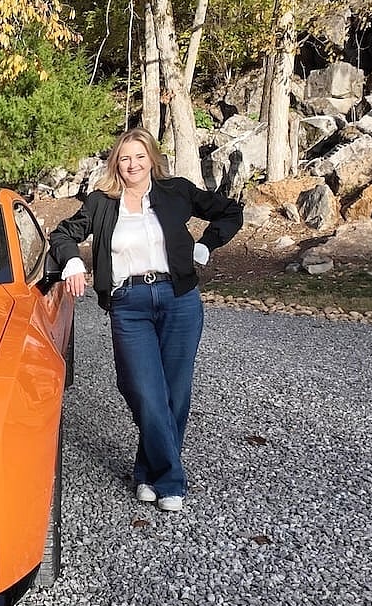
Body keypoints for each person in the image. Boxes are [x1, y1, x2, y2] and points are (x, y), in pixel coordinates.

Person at [49, 127, 243, 512]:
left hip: (179, 299)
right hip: (129, 303)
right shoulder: (102, 202)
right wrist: (72, 261)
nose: (133, 165)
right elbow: (62, 234)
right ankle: (169, 475)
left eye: (139, 157)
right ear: (115, 164)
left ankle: (151, 475)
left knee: (175, 393)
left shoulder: (176, 192)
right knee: (142, 390)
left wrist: (205, 245)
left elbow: (230, 211)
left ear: (151, 159)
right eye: (125, 158)